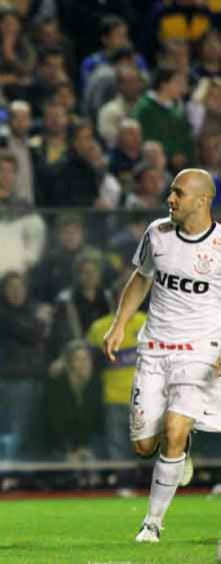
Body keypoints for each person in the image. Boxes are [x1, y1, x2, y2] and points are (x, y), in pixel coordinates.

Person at [102, 168, 221, 542]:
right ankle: (181, 451)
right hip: (153, 349)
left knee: (174, 427)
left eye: (178, 193)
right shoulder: (157, 234)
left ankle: (152, 523)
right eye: (171, 192)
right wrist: (119, 324)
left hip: (200, 351)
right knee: (143, 446)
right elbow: (141, 278)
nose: (170, 199)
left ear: (202, 200)